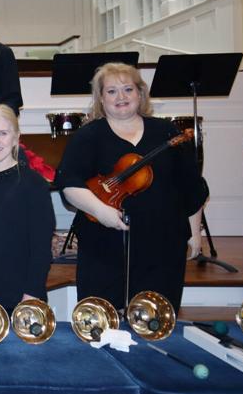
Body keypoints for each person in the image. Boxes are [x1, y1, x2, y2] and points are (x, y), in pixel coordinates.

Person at [56, 63, 207, 313]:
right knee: (104, 318)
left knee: (157, 318)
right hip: (104, 244)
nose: (121, 97)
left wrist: (194, 235)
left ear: (140, 93)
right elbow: (68, 183)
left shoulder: (166, 132)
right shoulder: (89, 136)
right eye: (111, 91)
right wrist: (101, 211)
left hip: (163, 244)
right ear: (101, 98)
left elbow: (192, 187)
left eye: (128, 89)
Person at [0, 105, 54, 312]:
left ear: (16, 138)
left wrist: (30, 297)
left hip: (20, 297)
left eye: (3, 133)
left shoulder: (33, 184)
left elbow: (41, 248)